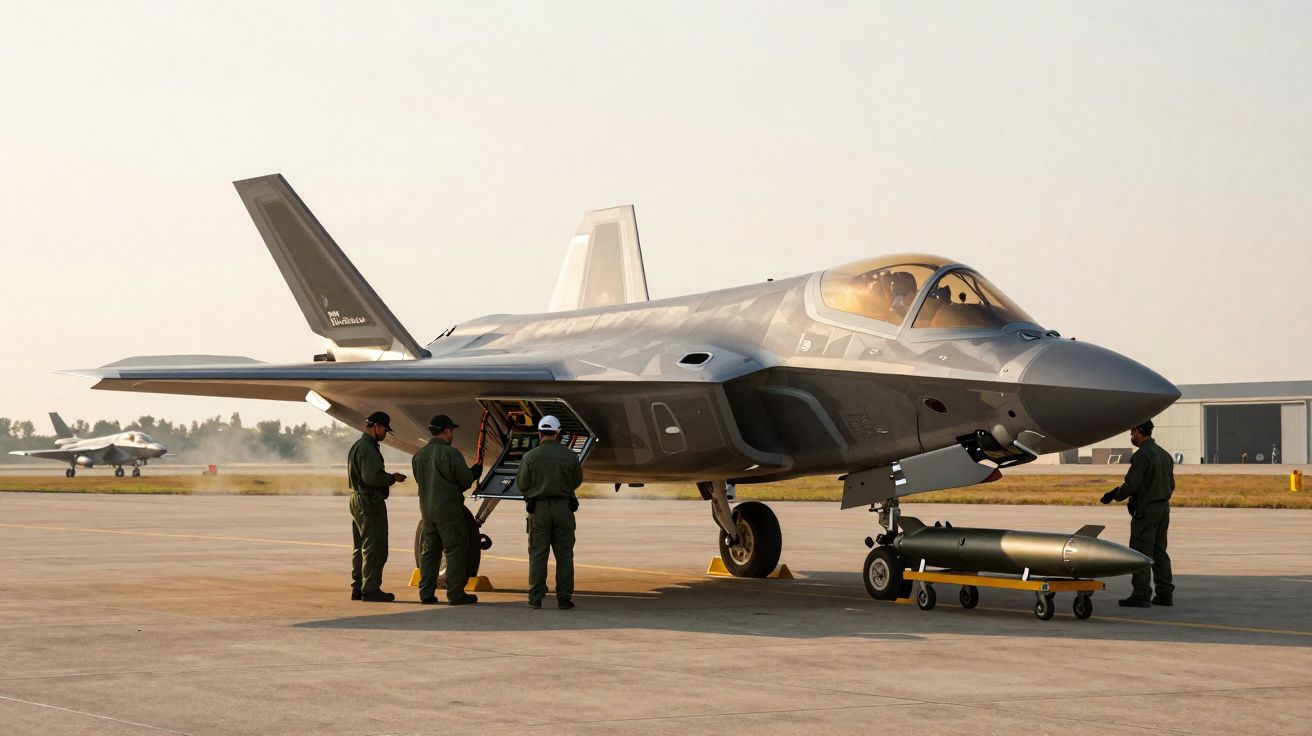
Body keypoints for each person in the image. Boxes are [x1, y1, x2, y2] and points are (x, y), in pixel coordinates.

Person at [1100, 419, 1175, 607]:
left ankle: (1141, 594)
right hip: (1163, 509)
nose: (1131, 437)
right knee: (1160, 552)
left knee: (1140, 553)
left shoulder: (1143, 455)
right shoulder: (1164, 455)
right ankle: (1165, 594)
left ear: (1140, 432)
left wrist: (1114, 495)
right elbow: (1171, 485)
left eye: (1133, 433)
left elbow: (1132, 485)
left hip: (1146, 511)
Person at [412, 414, 483, 605]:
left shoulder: (418, 456)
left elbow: (422, 481)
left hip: (427, 510)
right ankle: (455, 593)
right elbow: (464, 480)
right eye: (451, 431)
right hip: (449, 510)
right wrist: (474, 472)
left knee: (430, 551)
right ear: (446, 431)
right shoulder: (451, 454)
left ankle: (426, 593)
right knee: (455, 549)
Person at [516, 415, 583, 609]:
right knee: (564, 555)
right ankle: (564, 598)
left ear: (539, 433)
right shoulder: (570, 456)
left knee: (538, 554)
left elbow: (522, 484)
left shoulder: (530, 456)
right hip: (563, 509)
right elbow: (576, 481)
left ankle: (535, 598)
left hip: (539, 510)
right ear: (558, 433)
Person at [348, 411, 406, 602]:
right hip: (369, 501)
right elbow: (371, 477)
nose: (385, 434)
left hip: (357, 500)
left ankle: (358, 587)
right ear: (377, 427)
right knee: (375, 546)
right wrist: (392, 478)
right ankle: (371, 589)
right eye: (384, 430)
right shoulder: (368, 448)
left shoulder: (358, 446)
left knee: (361, 546)